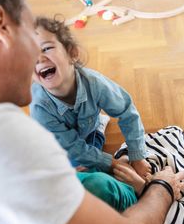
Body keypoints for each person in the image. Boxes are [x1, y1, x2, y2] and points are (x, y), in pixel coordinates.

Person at [0, 0, 184, 224]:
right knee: (100, 188)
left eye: (46, 47)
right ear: (0, 24)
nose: (37, 55)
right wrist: (162, 189)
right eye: (31, 33)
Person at [30, 16, 151, 178]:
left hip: (87, 132)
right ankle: (99, 127)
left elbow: (127, 111)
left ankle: (97, 128)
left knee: (90, 167)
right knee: (74, 172)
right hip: (57, 143)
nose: (39, 58)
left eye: (46, 48)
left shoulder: (95, 84)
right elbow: (72, 148)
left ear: (72, 53)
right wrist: (113, 163)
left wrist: (137, 157)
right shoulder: (39, 107)